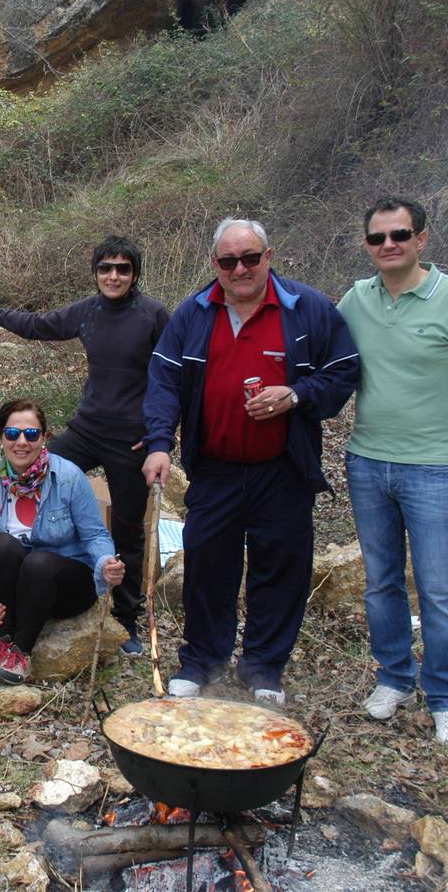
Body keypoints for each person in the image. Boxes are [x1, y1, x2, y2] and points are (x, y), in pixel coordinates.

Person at [142, 218, 358, 705]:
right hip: (215, 466)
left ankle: (263, 666)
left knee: (281, 567)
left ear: (268, 256)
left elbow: (344, 370)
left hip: (283, 467)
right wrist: (159, 443)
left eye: (250, 258)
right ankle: (202, 660)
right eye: (228, 260)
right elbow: (163, 382)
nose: (240, 269)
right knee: (207, 567)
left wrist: (298, 394)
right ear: (214, 264)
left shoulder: (306, 309)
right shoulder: (194, 313)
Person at [339, 196, 448, 748]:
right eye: (378, 238)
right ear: (367, 246)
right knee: (381, 583)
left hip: (434, 469)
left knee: (438, 590)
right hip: (366, 462)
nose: (389, 245)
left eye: (400, 235)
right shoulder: (355, 301)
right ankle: (394, 679)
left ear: (422, 239)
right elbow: (323, 361)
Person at [0, 235, 169, 656]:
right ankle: (25, 571)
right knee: (25, 472)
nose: (113, 275)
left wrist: (161, 435)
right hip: (87, 429)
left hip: (132, 440)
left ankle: (125, 619)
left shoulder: (153, 316)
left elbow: (172, 377)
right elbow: (38, 325)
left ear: (135, 274)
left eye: (123, 268)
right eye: (105, 268)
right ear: (95, 273)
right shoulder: (87, 312)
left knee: (128, 529)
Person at [0, 398, 124, 685]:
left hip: (66, 587)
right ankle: (6, 639)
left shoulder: (68, 477)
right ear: (1, 437)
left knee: (37, 562)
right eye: (13, 434)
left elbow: (95, 535)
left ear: (44, 438)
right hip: (21, 593)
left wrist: (105, 563)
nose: (22, 443)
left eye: (31, 434)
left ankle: (22, 651)